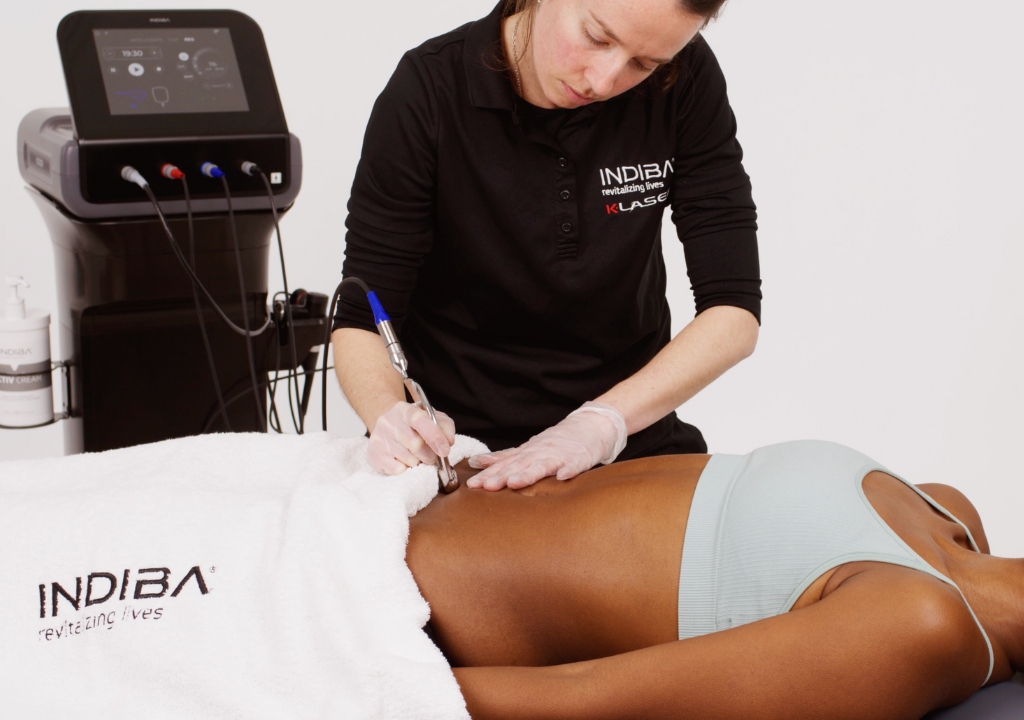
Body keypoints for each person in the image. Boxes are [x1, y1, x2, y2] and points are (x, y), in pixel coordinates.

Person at [332, 0, 761, 490]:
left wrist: (602, 423)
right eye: (597, 36)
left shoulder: (684, 78)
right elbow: (363, 321)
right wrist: (388, 414)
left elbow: (733, 311)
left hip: (631, 443)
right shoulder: (429, 89)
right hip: (464, 459)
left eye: (644, 64)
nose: (603, 81)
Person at [407, 440, 1024, 719]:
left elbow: (582, 693)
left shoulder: (923, 629)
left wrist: (348, 687)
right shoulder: (949, 511)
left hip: (375, 584)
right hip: (391, 484)